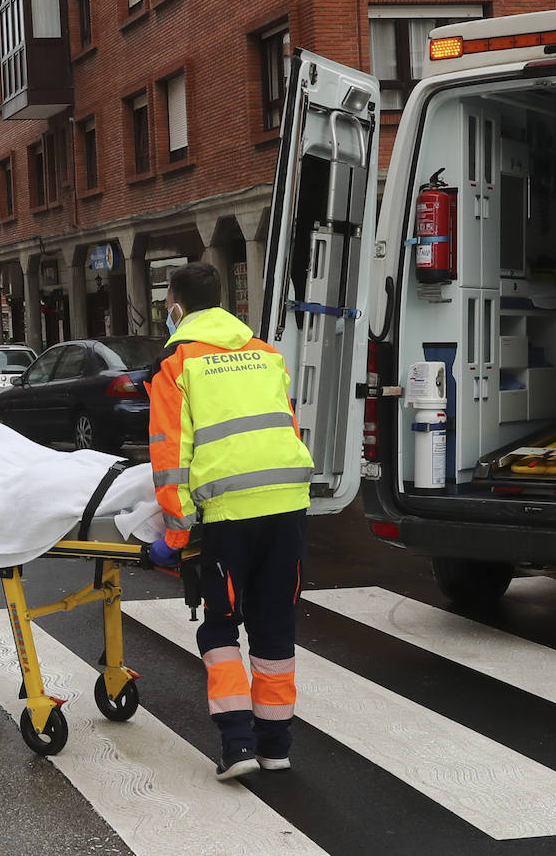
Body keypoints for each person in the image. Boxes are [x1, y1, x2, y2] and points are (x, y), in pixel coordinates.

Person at [147, 262, 314, 781]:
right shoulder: (264, 352)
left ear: (176, 307)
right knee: (274, 624)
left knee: (220, 627)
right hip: (287, 503)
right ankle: (276, 746)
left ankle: (237, 745)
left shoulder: (176, 364)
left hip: (228, 513)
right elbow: (285, 424)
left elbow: (170, 457)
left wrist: (175, 535)